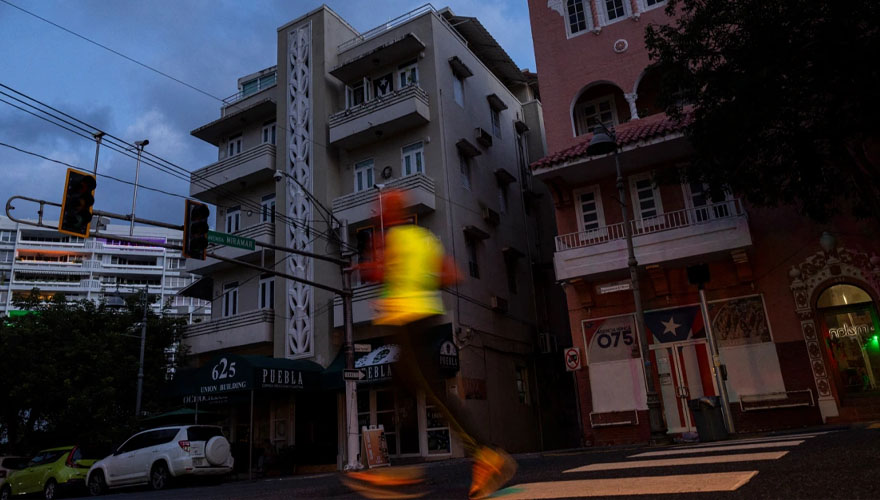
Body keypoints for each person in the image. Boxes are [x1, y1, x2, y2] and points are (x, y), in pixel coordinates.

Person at [342, 190, 516, 500]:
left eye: (381, 207)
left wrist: (366, 267)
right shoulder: (423, 238)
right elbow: (452, 274)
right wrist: (420, 277)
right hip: (420, 319)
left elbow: (378, 272)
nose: (376, 211)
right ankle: (405, 471)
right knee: (407, 390)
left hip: (408, 322)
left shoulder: (391, 239)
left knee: (432, 393)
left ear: (392, 211)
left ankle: (487, 455)